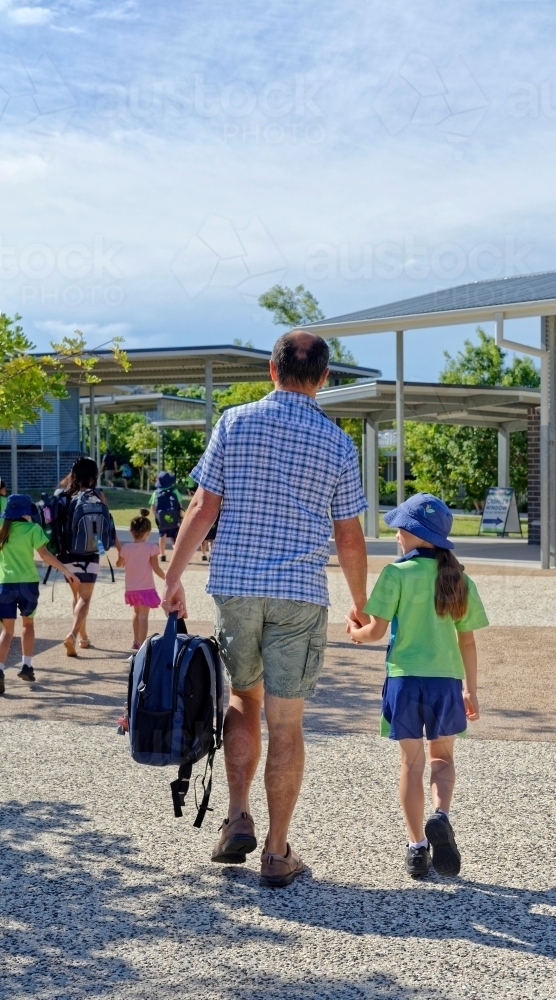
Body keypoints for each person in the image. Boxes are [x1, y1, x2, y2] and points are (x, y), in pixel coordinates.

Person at [161, 330, 369, 888]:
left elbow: (204, 506)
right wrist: (360, 602)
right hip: (300, 594)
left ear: (272, 372)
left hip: (236, 586)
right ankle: (277, 853)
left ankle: (235, 817)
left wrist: (174, 577)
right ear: (324, 379)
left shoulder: (233, 422)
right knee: (286, 721)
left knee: (241, 699)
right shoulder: (338, 443)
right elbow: (348, 536)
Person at [346, 493, 488, 879]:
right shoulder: (458, 578)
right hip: (445, 683)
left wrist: (356, 632)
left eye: (399, 528)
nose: (396, 535)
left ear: (412, 533)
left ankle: (416, 847)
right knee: (442, 759)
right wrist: (470, 690)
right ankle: (440, 816)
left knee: (411, 764)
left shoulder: (396, 574)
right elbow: (468, 641)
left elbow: (375, 632)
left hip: (404, 681)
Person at [0, 494, 76, 695]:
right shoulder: (33, 529)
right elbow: (45, 554)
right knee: (28, 624)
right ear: (26, 513)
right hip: (28, 585)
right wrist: (66, 570)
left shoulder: (3, 531)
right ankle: (26, 665)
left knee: (7, 631)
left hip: (5, 585)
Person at [57, 457, 114, 657]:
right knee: (85, 597)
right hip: (90, 554)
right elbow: (106, 523)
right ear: (93, 477)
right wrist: (102, 549)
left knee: (77, 597)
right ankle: (73, 635)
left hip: (66, 556)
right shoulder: (97, 495)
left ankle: (84, 637)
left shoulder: (62, 495)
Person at [116, 508, 165, 650]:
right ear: (148, 532)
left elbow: (119, 564)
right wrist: (167, 578)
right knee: (144, 616)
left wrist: (122, 554)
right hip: (146, 588)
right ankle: (143, 645)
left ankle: (136, 641)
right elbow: (156, 569)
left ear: (131, 532)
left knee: (136, 614)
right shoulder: (152, 548)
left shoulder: (126, 548)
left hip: (131, 589)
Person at [149, 471, 185, 563]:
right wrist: (180, 517)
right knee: (174, 538)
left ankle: (162, 554)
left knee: (162, 536)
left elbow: (152, 507)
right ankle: (176, 555)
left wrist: (157, 517)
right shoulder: (174, 491)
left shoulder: (156, 493)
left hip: (161, 520)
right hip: (174, 519)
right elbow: (180, 506)